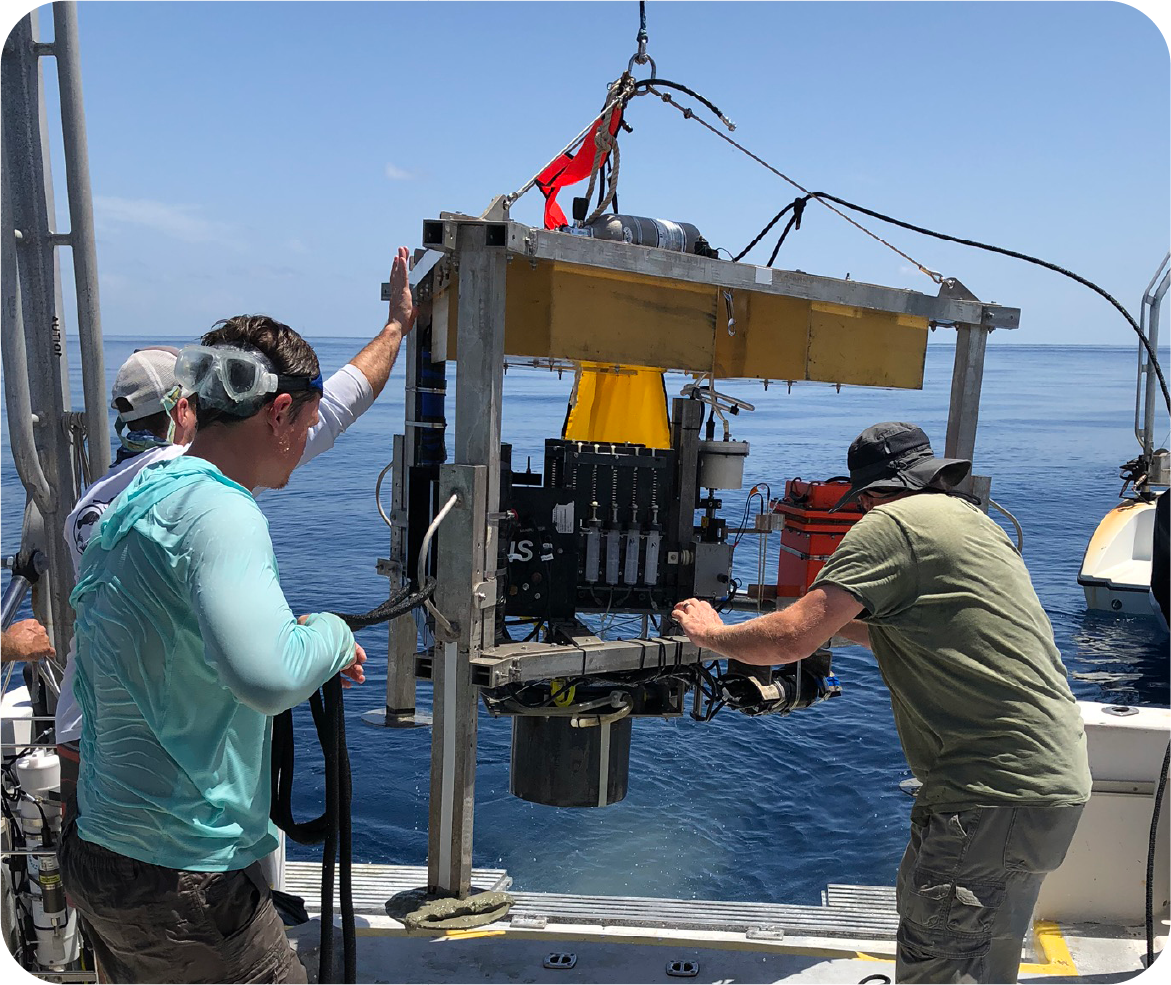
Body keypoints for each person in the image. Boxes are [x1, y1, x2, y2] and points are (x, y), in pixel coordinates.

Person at [672, 421, 1090, 985]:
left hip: (991, 792)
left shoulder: (889, 524)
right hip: (1040, 785)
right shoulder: (970, 522)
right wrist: (827, 622)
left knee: (944, 958)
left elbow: (791, 640)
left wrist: (712, 634)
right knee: (977, 954)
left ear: (868, 494)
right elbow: (915, 631)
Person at [56, 313, 384, 984]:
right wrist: (328, 635)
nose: (305, 443)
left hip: (99, 851)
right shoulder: (221, 510)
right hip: (178, 876)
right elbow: (267, 678)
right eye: (308, 422)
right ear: (281, 412)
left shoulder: (135, 501)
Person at [54, 246, 417, 811]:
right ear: (183, 410)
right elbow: (343, 399)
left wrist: (260, 625)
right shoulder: (211, 501)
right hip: (175, 793)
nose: (308, 432)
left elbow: (160, 624)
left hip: (91, 749)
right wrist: (396, 327)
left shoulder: (100, 510)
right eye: (302, 418)